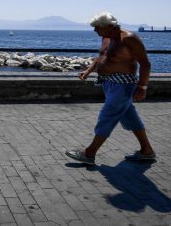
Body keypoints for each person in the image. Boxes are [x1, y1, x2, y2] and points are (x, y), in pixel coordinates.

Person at [66, 12, 156, 165]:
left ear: (108, 26)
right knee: (130, 117)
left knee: (107, 117)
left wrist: (142, 87)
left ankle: (89, 153)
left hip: (124, 86)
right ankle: (147, 151)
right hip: (109, 84)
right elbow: (101, 57)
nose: (95, 31)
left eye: (96, 27)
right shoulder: (106, 37)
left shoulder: (129, 38)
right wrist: (88, 70)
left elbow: (145, 64)